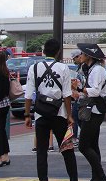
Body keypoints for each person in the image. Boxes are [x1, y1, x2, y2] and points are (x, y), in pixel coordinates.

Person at [24, 38, 77, 181]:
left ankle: (43, 179)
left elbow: (28, 95)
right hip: (59, 114)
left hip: (41, 115)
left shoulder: (34, 68)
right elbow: (67, 95)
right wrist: (69, 115)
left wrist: (27, 115)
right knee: (67, 149)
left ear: (43, 51)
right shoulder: (63, 68)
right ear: (58, 52)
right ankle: (73, 179)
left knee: (41, 151)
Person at [77, 42, 106, 181]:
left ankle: (101, 176)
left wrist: (80, 89)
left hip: (95, 111)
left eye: (83, 54)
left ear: (89, 56)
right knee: (93, 145)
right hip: (92, 109)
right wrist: (78, 92)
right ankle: (96, 177)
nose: (80, 56)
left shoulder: (97, 70)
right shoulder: (90, 69)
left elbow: (95, 91)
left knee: (84, 146)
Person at [69, 48, 86, 146]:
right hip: (81, 96)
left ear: (79, 56)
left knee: (75, 117)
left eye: (74, 58)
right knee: (79, 118)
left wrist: (76, 86)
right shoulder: (81, 67)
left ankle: (75, 138)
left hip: (82, 96)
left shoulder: (83, 67)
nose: (74, 61)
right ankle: (83, 135)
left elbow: (82, 82)